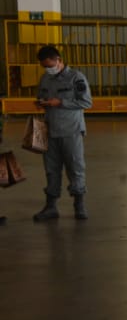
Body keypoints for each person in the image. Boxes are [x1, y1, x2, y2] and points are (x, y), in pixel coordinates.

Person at [32, 46, 93, 221]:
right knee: (51, 170)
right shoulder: (45, 78)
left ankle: (79, 205)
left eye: (49, 65)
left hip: (70, 130)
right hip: (49, 131)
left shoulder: (76, 77)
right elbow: (41, 96)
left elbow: (86, 102)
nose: (47, 69)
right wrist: (41, 103)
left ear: (58, 60)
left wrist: (60, 102)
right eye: (44, 66)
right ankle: (51, 207)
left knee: (75, 168)